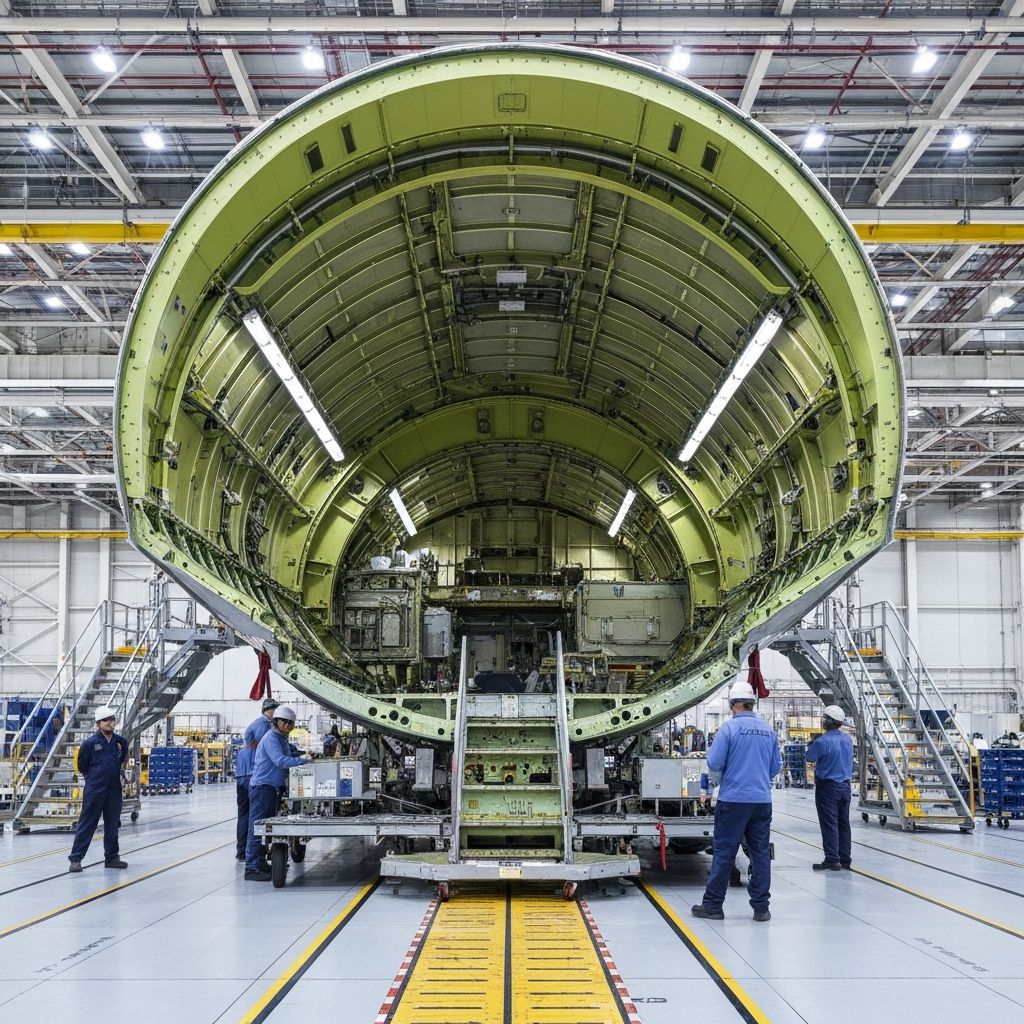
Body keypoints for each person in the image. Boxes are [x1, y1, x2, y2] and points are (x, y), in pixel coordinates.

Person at [692, 679, 781, 922]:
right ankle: (761, 908)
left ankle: (712, 906)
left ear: (734, 705)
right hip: (762, 801)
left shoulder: (728, 730)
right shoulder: (768, 731)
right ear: (752, 704)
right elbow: (775, 767)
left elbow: (714, 763)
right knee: (760, 853)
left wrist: (724, 779)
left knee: (724, 852)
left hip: (733, 801)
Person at [244, 706, 309, 881]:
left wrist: (308, 754)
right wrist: (303, 760)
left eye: (291, 723)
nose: (288, 725)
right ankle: (251, 868)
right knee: (256, 828)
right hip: (263, 788)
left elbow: (291, 751)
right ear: (275, 722)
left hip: (272, 789)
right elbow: (280, 760)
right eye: (284, 722)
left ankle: (260, 863)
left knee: (265, 828)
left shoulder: (282, 739)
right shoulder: (272, 738)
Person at [68, 705, 129, 872]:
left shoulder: (119, 742)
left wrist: (119, 768)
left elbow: (124, 755)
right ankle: (76, 859)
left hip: (114, 789)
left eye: (112, 719)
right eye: (106, 720)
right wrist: (93, 778)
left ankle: (112, 858)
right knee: (87, 823)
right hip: (95, 789)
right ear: (98, 723)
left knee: (112, 825)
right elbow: (82, 765)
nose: (110, 723)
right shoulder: (90, 743)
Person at [805, 705, 854, 871]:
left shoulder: (822, 741)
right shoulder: (848, 739)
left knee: (829, 823)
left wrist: (813, 742)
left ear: (826, 721)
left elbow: (809, 757)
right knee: (843, 824)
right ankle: (845, 859)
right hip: (845, 787)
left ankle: (832, 859)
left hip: (827, 788)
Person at [234, 736, 256, 861]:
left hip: (240, 781)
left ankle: (241, 852)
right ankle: (252, 851)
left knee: (242, 816)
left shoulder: (241, 752)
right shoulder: (257, 751)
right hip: (253, 781)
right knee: (255, 816)